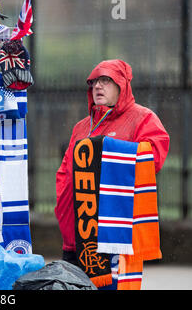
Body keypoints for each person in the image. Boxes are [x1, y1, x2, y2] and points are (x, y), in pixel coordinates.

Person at [54, 59, 170, 265]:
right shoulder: (81, 127)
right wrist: (64, 213)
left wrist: (107, 149)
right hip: (78, 237)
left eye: (106, 80)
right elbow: (65, 174)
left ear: (122, 85)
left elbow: (153, 158)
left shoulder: (142, 118)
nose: (97, 86)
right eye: (94, 82)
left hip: (116, 235)